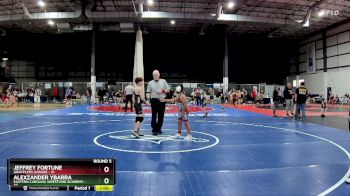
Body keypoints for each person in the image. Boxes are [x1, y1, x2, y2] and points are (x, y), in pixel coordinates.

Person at [146, 70, 169, 136]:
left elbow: (168, 90)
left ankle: (159, 128)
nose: (155, 76)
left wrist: (162, 91)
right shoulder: (150, 83)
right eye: (154, 75)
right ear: (152, 75)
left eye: (156, 74)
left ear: (159, 75)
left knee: (161, 115)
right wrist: (148, 99)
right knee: (154, 115)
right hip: (154, 100)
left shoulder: (163, 81)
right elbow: (148, 92)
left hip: (162, 100)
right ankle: (154, 128)